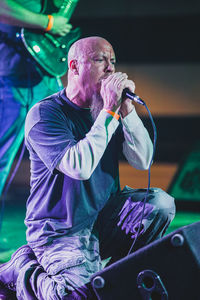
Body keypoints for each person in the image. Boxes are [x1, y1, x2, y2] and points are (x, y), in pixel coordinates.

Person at [0, 36, 176, 300]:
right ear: (74, 67)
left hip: (104, 218)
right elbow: (78, 167)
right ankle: (24, 269)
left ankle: (116, 276)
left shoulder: (109, 111)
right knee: (76, 296)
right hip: (60, 231)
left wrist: (126, 112)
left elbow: (143, 161)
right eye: (99, 60)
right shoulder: (45, 114)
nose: (110, 69)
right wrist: (108, 112)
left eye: (112, 61)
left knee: (160, 204)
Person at [0, 0, 73, 199]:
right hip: (14, 77)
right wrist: (47, 22)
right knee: (2, 157)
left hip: (46, 74)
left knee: (63, 156)